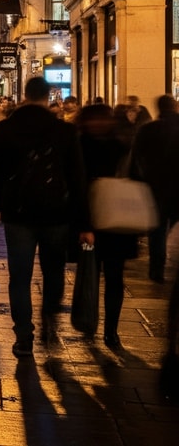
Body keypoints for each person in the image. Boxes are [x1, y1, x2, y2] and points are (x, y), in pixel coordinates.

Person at [0, 76, 93, 358]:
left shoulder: (5, 129)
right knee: (53, 271)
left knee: (19, 277)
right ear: (48, 97)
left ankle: (24, 335)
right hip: (56, 213)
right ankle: (49, 321)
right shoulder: (64, 131)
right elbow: (77, 179)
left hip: (18, 214)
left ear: (25, 94)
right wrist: (84, 223)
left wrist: (5, 199)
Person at [76, 103, 139, 349]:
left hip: (100, 222)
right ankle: (104, 329)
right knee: (106, 277)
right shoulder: (120, 144)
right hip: (109, 221)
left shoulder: (82, 145)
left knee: (102, 275)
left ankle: (104, 328)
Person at [132, 94, 179, 284]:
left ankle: (156, 269)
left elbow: (136, 157)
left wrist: (139, 180)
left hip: (155, 187)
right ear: (175, 106)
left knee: (157, 231)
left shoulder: (148, 129)